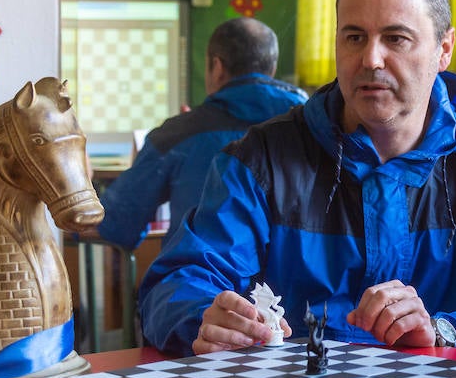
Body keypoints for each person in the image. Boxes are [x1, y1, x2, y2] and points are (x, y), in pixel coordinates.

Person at [138, 0, 456, 356]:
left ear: (444, 49)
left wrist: (442, 330)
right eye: (354, 37)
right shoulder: (260, 161)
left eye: (396, 38)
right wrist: (203, 318)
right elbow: (173, 285)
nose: (371, 59)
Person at [95, 18, 306, 250]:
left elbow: (115, 224)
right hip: (294, 285)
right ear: (272, 70)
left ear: (217, 67)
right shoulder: (318, 126)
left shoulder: (176, 134)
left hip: (202, 280)